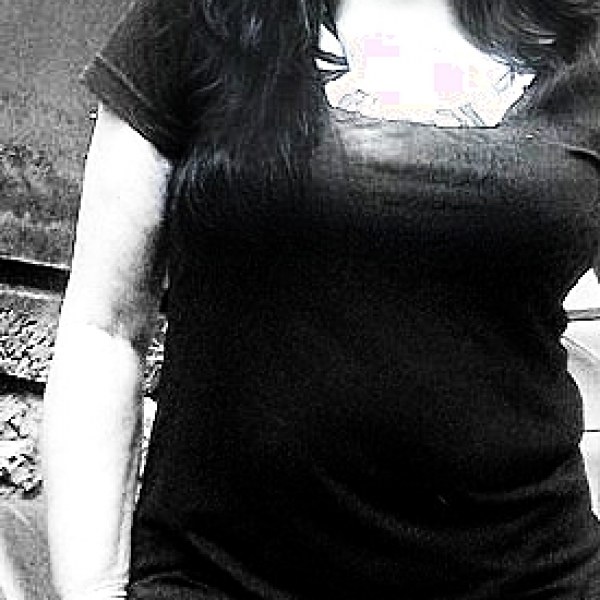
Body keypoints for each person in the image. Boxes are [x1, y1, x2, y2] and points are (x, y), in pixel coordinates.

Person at [40, 0, 600, 598]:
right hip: (217, 578)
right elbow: (104, 332)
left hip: (530, 580)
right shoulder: (206, 16)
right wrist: (93, 589)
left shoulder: (583, 38)